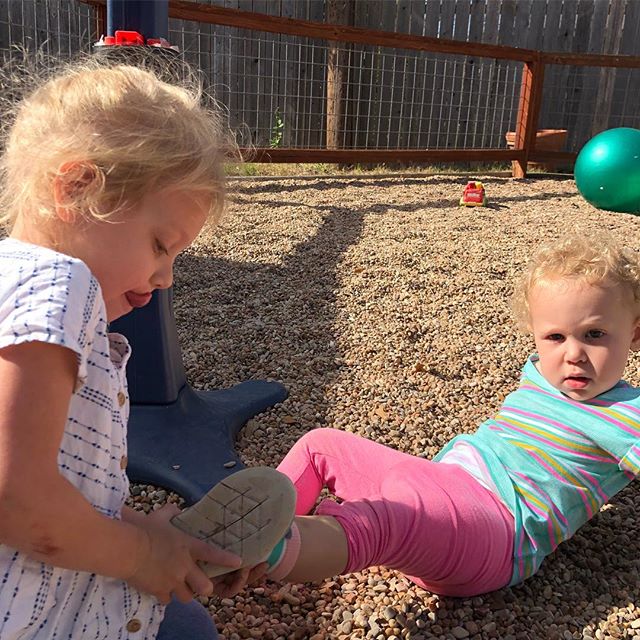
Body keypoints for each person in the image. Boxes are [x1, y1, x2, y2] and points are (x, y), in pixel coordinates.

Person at [216, 232, 640, 598]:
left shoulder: (626, 415)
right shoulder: (540, 371)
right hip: (442, 481)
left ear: (634, 333)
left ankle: (258, 551)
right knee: (320, 445)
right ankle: (262, 519)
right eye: (555, 336)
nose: (573, 354)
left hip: (496, 529)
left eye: (595, 335)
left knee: (380, 524)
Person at [0, 59, 259, 640]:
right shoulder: (56, 285)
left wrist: (141, 529)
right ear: (76, 188)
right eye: (160, 245)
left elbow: (53, 477)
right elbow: (15, 496)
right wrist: (140, 553)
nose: (166, 277)